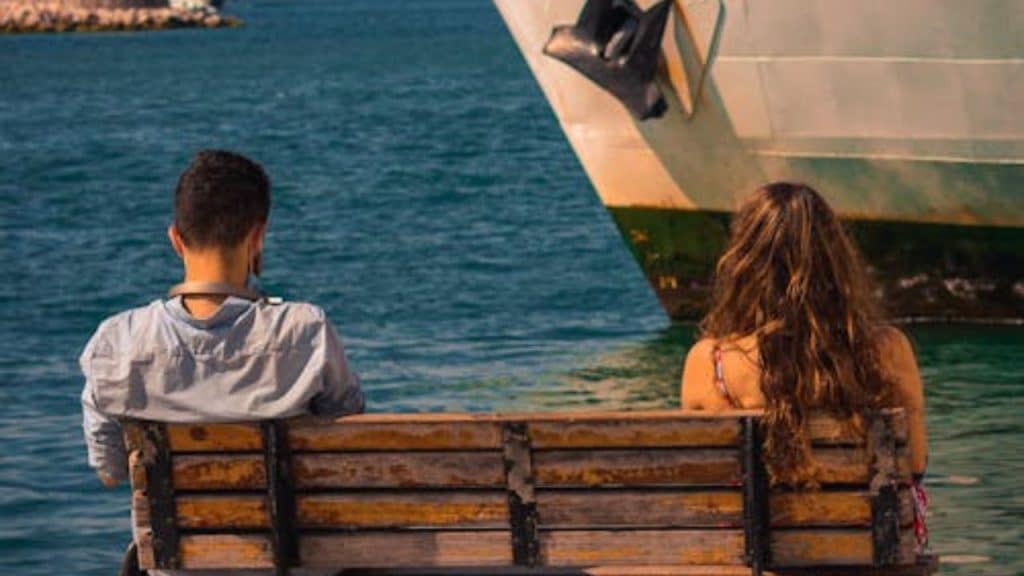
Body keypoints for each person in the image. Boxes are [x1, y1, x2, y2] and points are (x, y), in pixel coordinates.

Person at [81, 150, 365, 489]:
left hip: (173, 541)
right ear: (257, 237)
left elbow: (111, 471)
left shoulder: (116, 343)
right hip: (291, 541)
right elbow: (349, 437)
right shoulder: (307, 331)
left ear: (175, 240)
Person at [680, 182, 928, 543]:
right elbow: (915, 465)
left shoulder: (708, 362)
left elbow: (706, 486)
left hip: (753, 559)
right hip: (866, 555)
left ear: (743, 264)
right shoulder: (889, 350)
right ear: (834, 258)